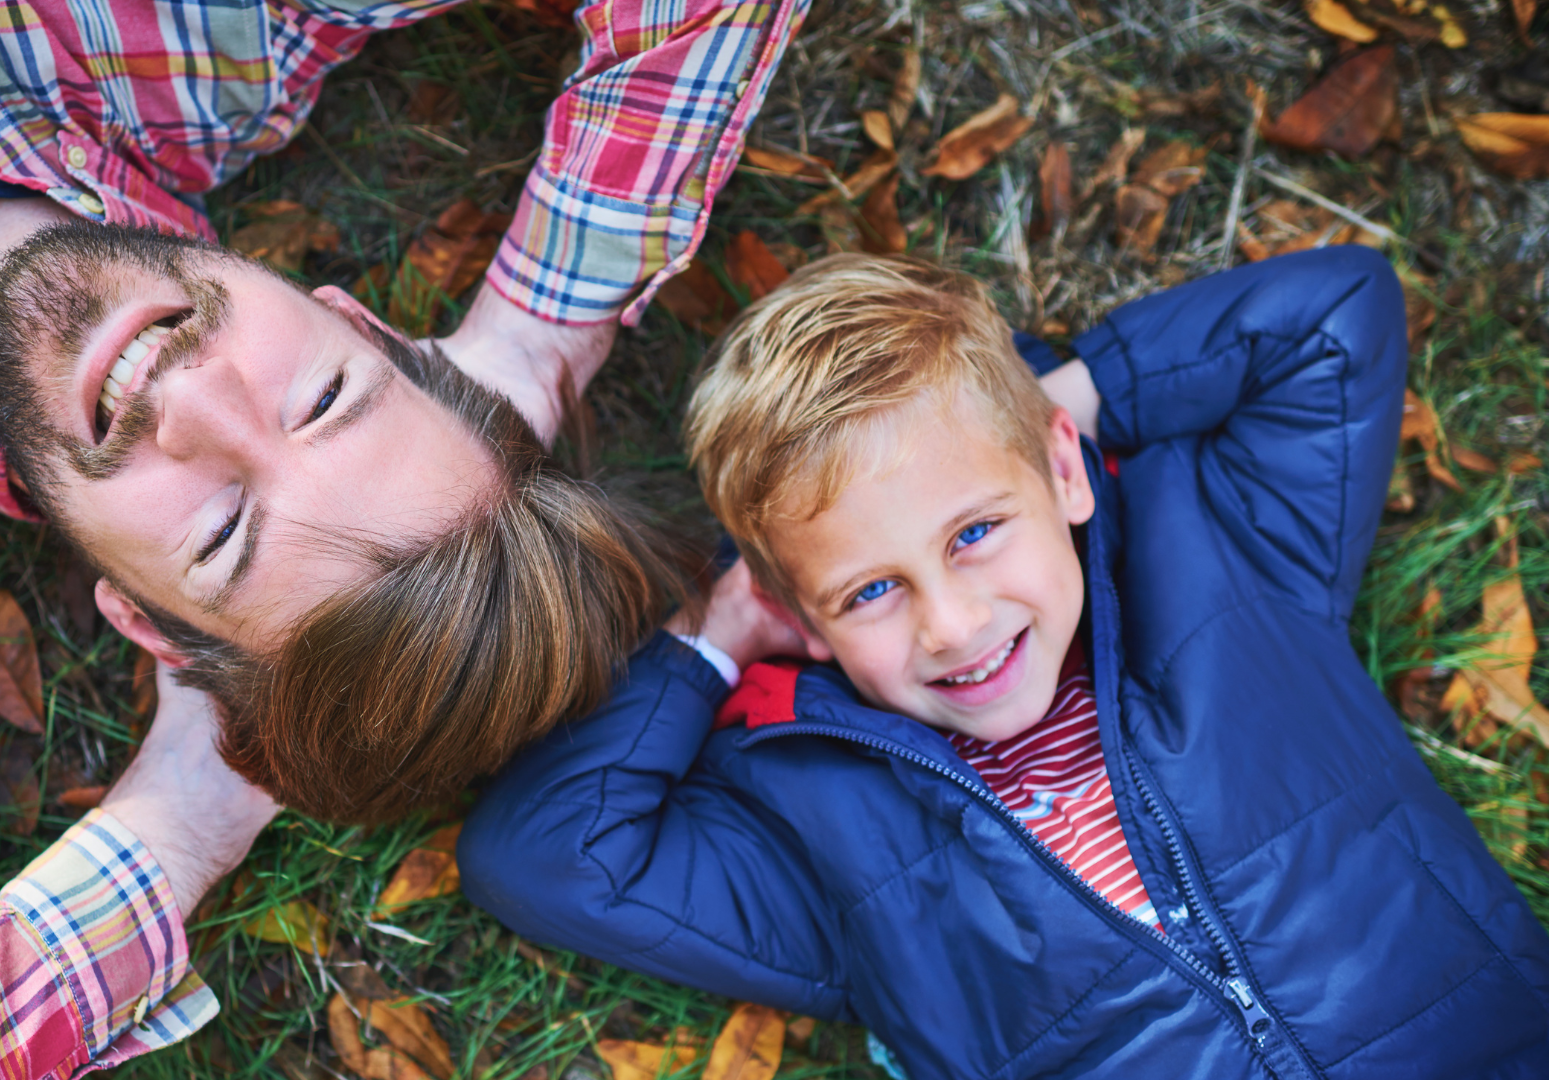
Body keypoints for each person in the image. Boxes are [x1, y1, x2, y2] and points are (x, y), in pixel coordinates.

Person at [0, 0, 804, 1073]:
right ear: (352, 318)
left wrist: (182, 821)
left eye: (225, 530)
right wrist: (544, 326)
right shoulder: (214, 38)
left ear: (147, 627)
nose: (188, 401)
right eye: (326, 399)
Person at [459, 249, 1549, 1077]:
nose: (952, 624)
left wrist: (1036, 422)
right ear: (804, 611)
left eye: (975, 531)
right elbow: (542, 855)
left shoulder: (1228, 556)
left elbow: (1333, 315)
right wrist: (721, 631)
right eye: (871, 591)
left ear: (1063, 474)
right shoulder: (807, 826)